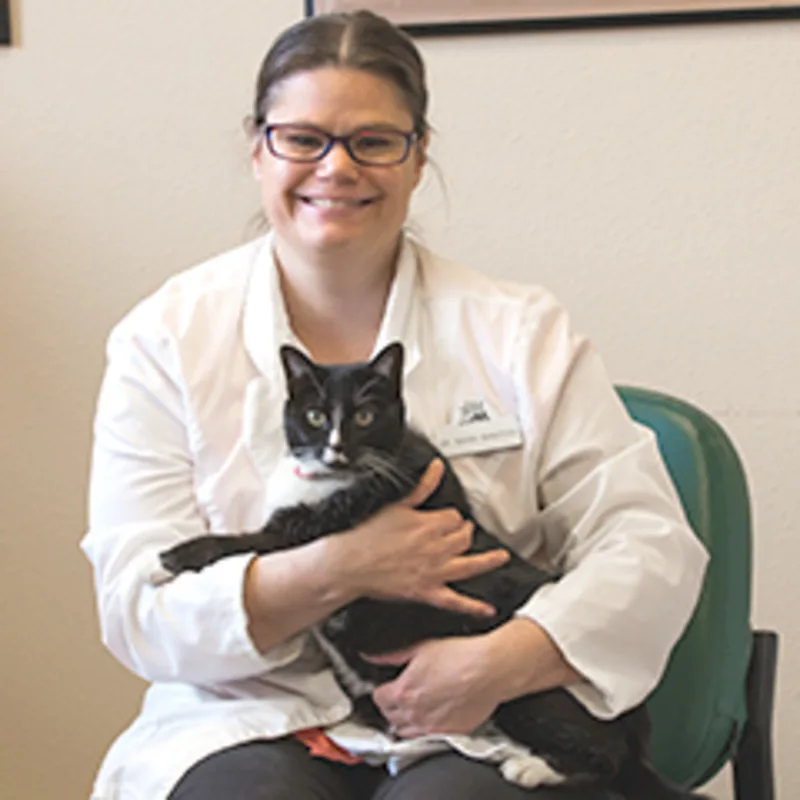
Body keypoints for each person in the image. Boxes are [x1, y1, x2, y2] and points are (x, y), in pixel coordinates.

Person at [81, 9, 708, 800]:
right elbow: (139, 604)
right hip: (249, 713)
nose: (336, 168)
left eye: (373, 141)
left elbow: (648, 541)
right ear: (257, 147)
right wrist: (337, 568)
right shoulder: (164, 340)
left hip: (480, 704)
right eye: (303, 138)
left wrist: (509, 658)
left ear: (418, 158)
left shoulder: (519, 331)